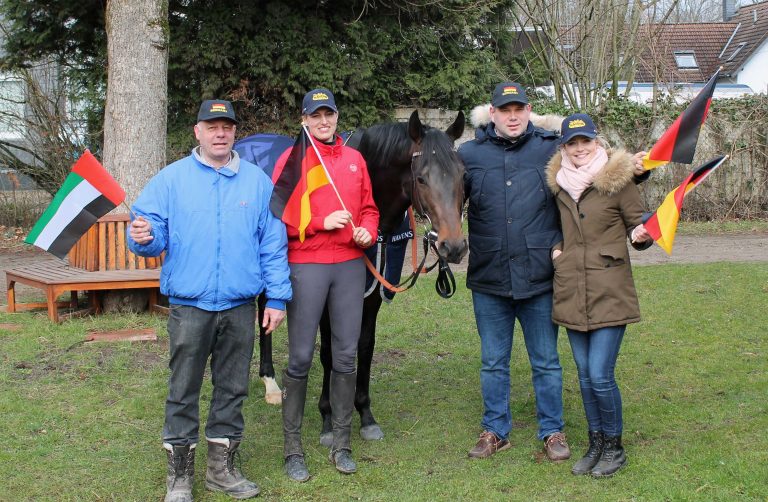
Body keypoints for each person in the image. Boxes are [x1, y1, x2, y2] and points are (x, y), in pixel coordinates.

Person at [128, 99, 291, 502]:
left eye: (227, 127)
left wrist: (277, 298)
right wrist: (144, 238)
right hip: (190, 305)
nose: (220, 133)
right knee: (183, 387)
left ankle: (222, 470)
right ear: (197, 132)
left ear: (234, 132)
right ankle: (180, 477)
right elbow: (151, 234)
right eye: (212, 126)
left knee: (232, 389)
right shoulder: (170, 180)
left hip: (238, 305)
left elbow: (273, 245)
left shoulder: (256, 182)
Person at [459, 82, 573, 461]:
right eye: (504, 110)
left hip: (539, 276)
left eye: (518, 109)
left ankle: (552, 430)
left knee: (546, 361)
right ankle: (495, 429)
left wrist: (635, 170)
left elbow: (591, 170)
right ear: (491, 113)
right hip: (489, 277)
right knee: (493, 361)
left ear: (529, 111)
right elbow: (439, 191)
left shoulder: (550, 148)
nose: (512, 116)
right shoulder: (469, 155)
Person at [272, 88, 379, 481]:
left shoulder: (354, 159)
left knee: (346, 355)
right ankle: (293, 449)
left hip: (350, 265)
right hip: (307, 264)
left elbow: (369, 208)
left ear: (336, 116)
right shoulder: (292, 158)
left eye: (328, 115)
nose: (323, 122)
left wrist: (367, 230)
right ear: (304, 119)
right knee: (300, 357)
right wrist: (319, 223)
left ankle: (342, 443)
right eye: (315, 116)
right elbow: (278, 213)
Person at [545, 113, 652, 477]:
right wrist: (557, 251)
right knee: (584, 374)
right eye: (572, 143)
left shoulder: (619, 182)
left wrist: (641, 234)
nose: (579, 149)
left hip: (609, 289)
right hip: (572, 289)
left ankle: (614, 447)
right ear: (564, 148)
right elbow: (555, 229)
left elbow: (640, 222)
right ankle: (595, 444)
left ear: (598, 143)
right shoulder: (559, 186)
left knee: (600, 374)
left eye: (585, 142)